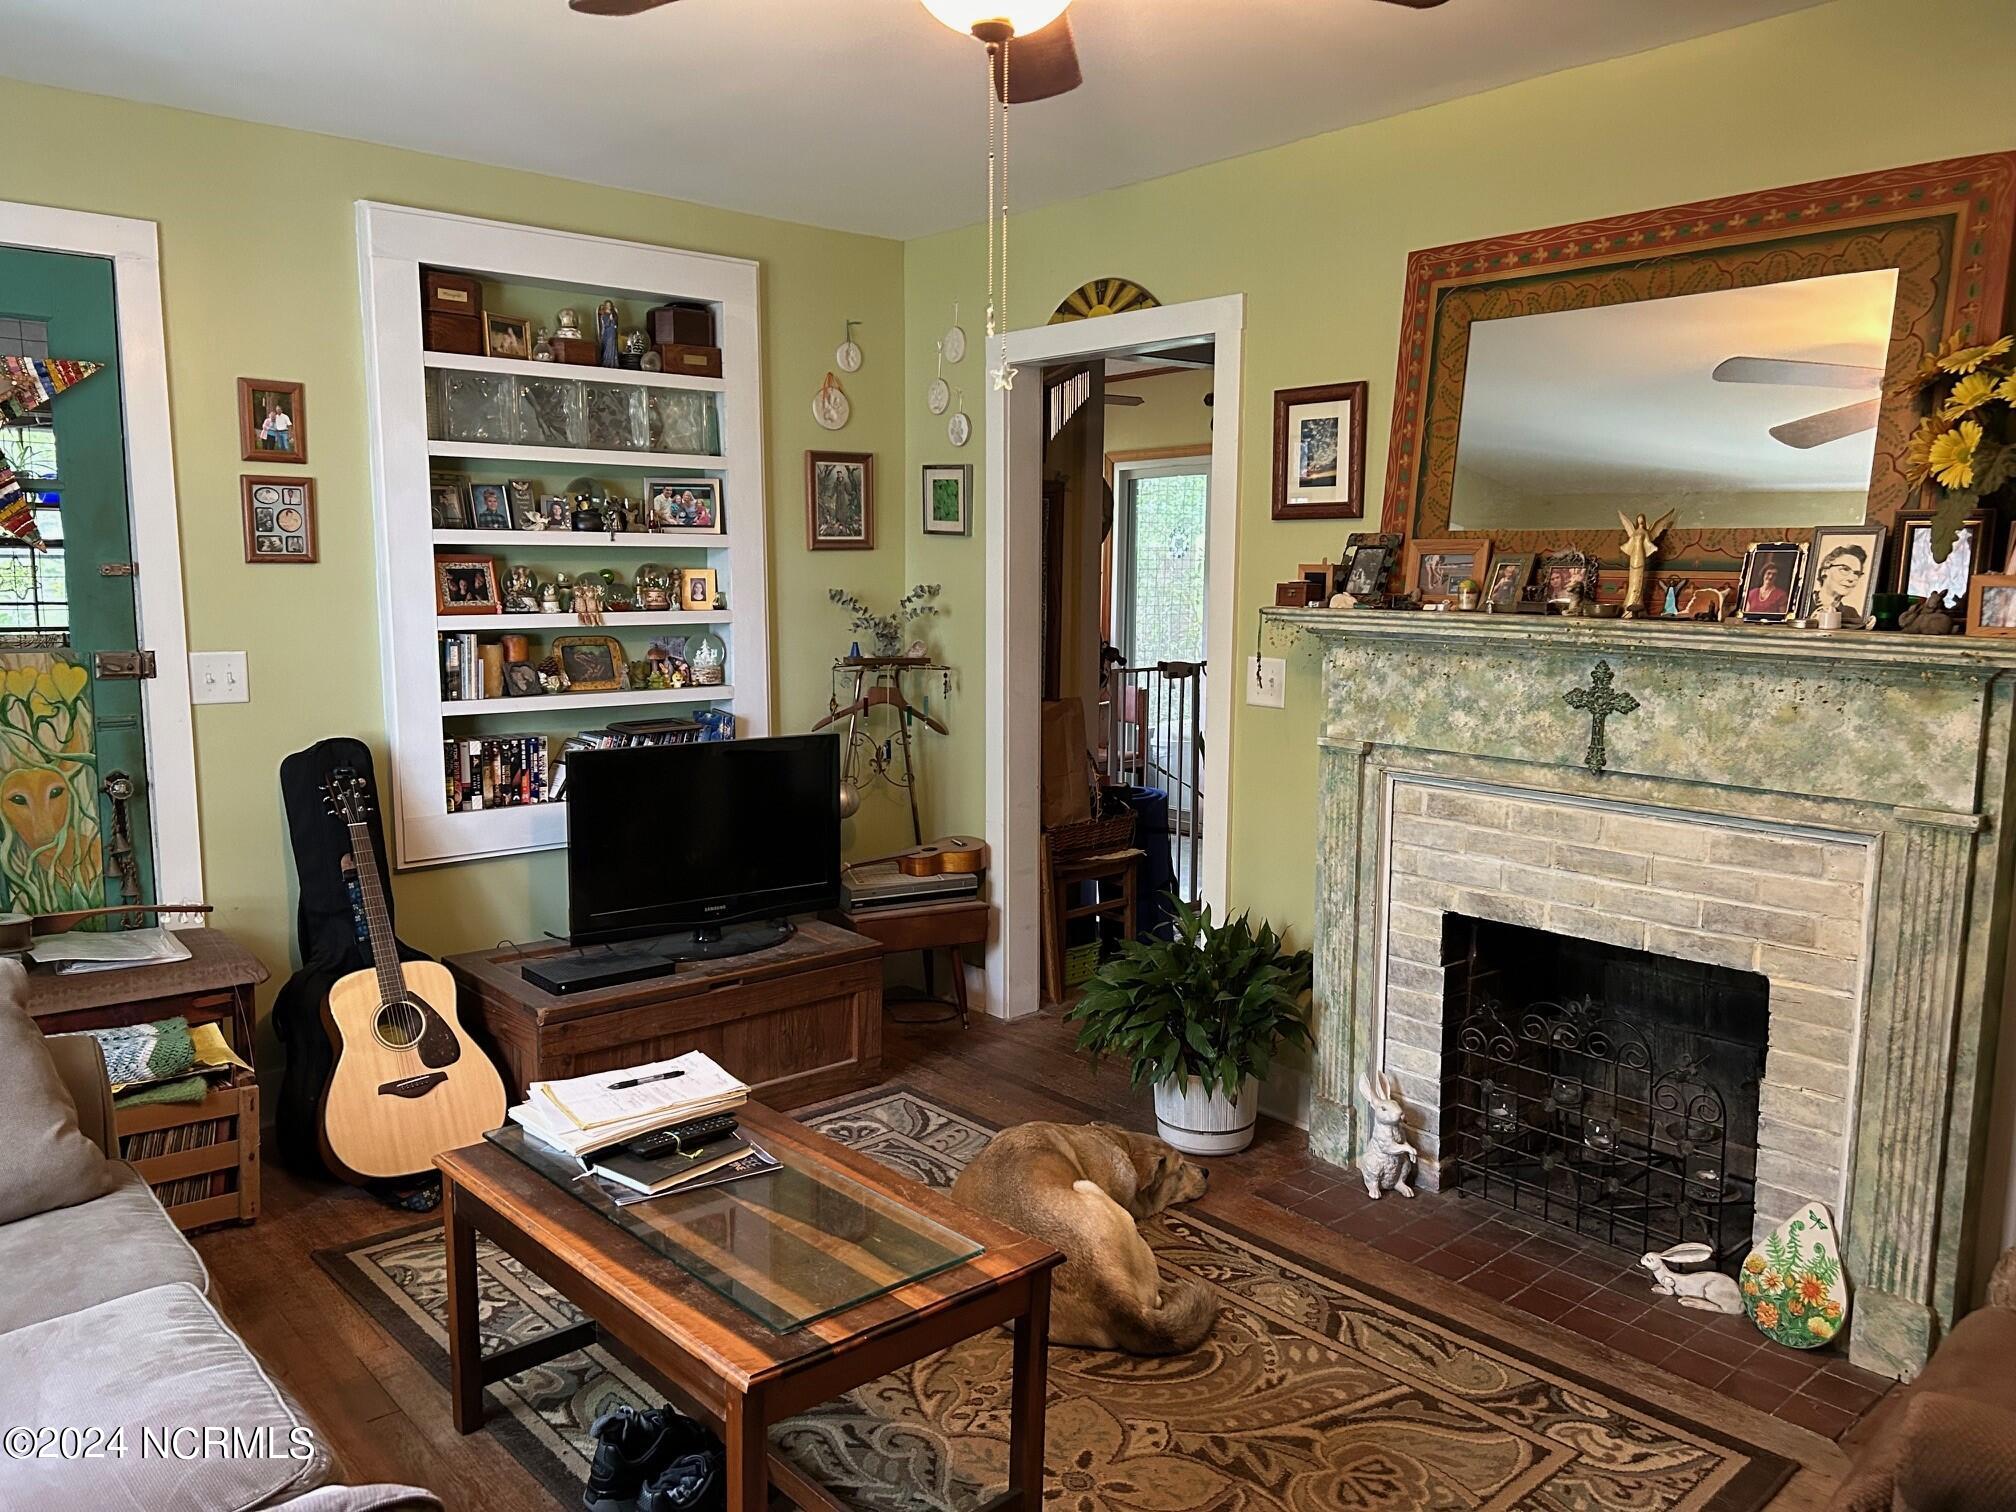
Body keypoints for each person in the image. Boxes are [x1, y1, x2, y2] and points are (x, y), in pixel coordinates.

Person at [1807, 543, 1868, 619]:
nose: (1851, 579)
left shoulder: (1851, 615)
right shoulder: (1801, 603)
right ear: (1825, 570)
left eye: (1856, 573)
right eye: (1845, 569)